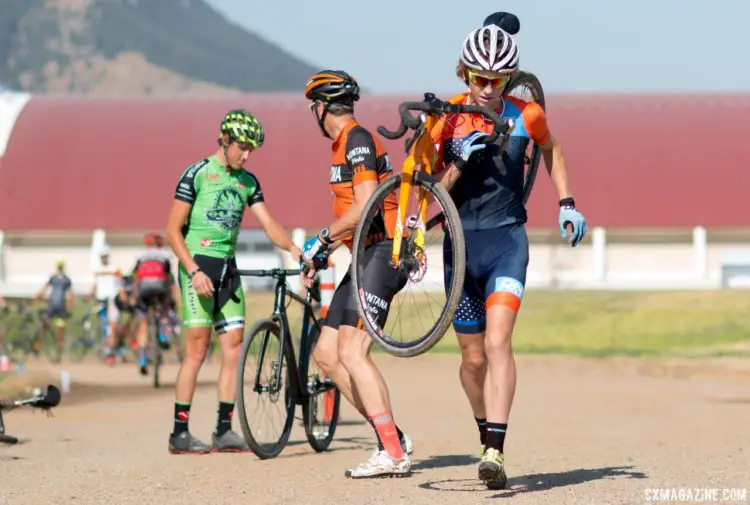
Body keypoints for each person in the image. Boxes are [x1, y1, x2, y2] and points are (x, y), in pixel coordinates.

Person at [429, 25, 588, 489]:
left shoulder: (527, 114)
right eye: (478, 78)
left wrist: (567, 202)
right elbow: (430, 193)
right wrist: (456, 161)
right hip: (460, 246)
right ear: (464, 73)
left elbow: (552, 149)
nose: (485, 88)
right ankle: (485, 432)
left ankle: (495, 450)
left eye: (496, 81)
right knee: (472, 358)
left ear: (508, 78)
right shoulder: (446, 117)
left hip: (506, 243)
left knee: (499, 343)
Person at [165, 108, 304, 454]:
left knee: (233, 349)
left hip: (228, 271)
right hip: (197, 267)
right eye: (242, 147)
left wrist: (293, 248)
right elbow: (171, 231)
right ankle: (179, 432)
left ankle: (224, 429)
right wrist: (194, 272)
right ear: (224, 141)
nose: (247, 154)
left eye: (252, 149)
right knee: (196, 352)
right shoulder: (197, 173)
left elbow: (269, 224)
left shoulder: (248, 181)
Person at [301, 70, 413, 478]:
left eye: (312, 106)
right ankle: (392, 437)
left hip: (384, 253)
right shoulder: (342, 144)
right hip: (361, 253)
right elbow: (353, 215)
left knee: (352, 351)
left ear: (321, 107)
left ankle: (393, 453)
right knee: (327, 355)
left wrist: (322, 237)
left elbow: (367, 205)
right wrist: (324, 249)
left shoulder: (357, 139)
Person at [130, 232, 175, 375]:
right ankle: (163, 335)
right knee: (164, 310)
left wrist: (134, 295)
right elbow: (168, 277)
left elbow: (135, 277)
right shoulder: (164, 254)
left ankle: (142, 359)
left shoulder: (140, 255)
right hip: (159, 287)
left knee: (142, 325)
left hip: (143, 289)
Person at [85, 245, 123, 365]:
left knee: (113, 327)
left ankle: (113, 350)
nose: (104, 259)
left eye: (105, 256)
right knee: (105, 328)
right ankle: (109, 352)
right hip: (101, 301)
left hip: (113, 301)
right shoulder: (96, 270)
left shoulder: (115, 269)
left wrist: (122, 296)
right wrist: (89, 294)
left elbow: (120, 285)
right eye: (102, 257)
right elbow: (94, 285)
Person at [34, 259, 75, 361]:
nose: (60, 268)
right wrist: (38, 295)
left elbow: (70, 293)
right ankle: (36, 347)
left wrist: (71, 304)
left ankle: (59, 354)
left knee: (59, 331)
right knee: (44, 326)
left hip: (61, 308)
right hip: (51, 307)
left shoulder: (67, 280)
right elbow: (45, 287)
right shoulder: (52, 278)